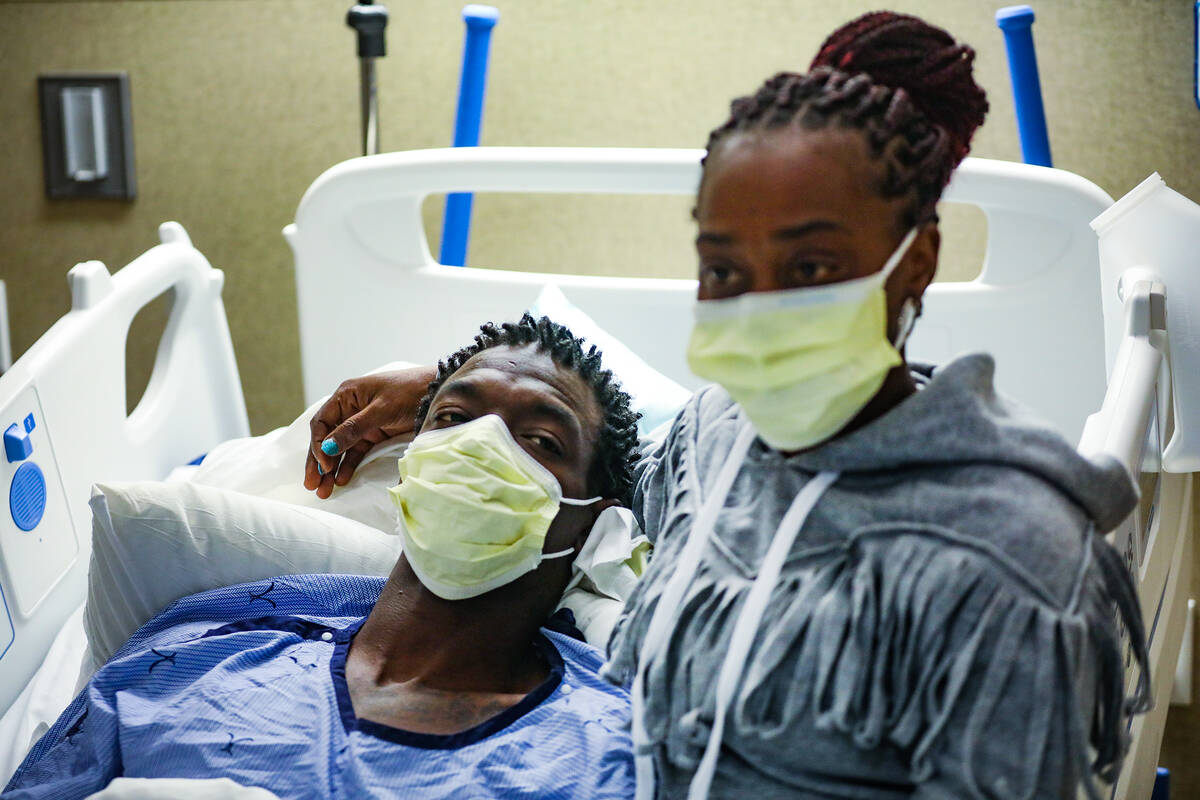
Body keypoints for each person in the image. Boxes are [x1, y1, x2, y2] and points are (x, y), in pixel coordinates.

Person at [302, 12, 1149, 799]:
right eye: (723, 271)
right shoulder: (717, 439)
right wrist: (467, 402)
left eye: (811, 269)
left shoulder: (1006, 566)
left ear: (917, 261)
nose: (758, 308)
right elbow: (603, 470)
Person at [6, 315, 640, 799]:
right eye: (452, 418)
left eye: (538, 439)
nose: (477, 448)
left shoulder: (605, 748)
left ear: (595, 524)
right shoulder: (199, 643)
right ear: (411, 461)